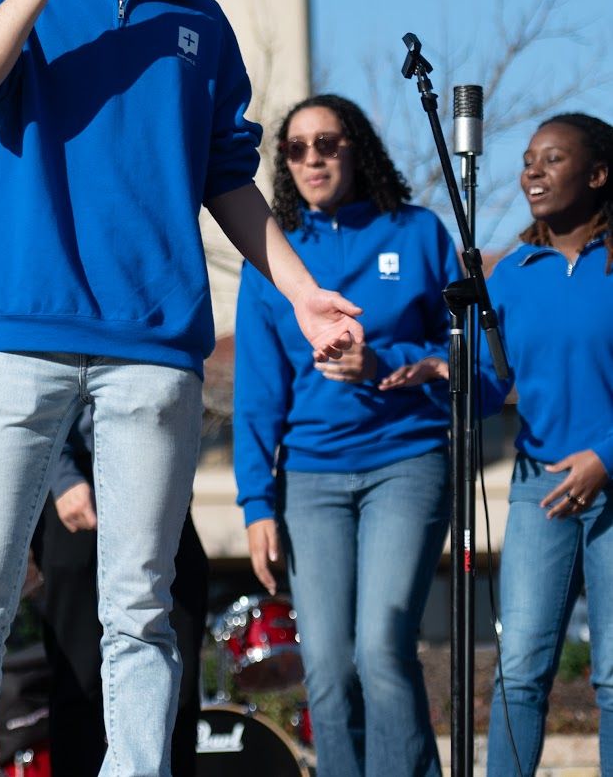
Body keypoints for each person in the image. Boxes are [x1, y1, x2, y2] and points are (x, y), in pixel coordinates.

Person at [0, 0, 364, 777]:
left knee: (140, 608)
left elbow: (227, 180)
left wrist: (297, 289)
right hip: (21, 341)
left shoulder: (196, 21)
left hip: (152, 356)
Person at [233, 94, 458, 777]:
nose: (312, 158)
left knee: (382, 647)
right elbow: (257, 392)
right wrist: (255, 503)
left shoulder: (417, 232)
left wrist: (388, 363)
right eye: (296, 148)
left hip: (406, 461)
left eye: (327, 142)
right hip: (311, 477)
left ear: (356, 147)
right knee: (327, 666)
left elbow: (473, 356)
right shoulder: (272, 257)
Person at [386, 112, 613, 777]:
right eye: (528, 161)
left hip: (608, 476)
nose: (532, 173)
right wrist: (438, 371)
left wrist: (605, 456)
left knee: (611, 676)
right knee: (520, 670)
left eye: (552, 160)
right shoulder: (510, 275)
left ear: (598, 174)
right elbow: (490, 387)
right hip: (541, 485)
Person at [32, 408, 208, 777]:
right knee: (78, 683)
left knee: (179, 677)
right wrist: (61, 473)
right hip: (77, 480)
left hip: (153, 472)